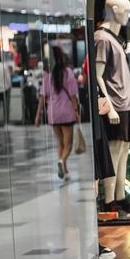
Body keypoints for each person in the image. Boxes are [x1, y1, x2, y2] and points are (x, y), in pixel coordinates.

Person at [36, 49, 80, 180]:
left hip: (53, 113)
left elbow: (42, 98)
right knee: (68, 144)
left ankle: (64, 170)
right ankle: (62, 161)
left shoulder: (48, 77)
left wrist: (38, 115)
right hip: (66, 112)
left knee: (59, 143)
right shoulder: (69, 74)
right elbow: (73, 96)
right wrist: (76, 111)